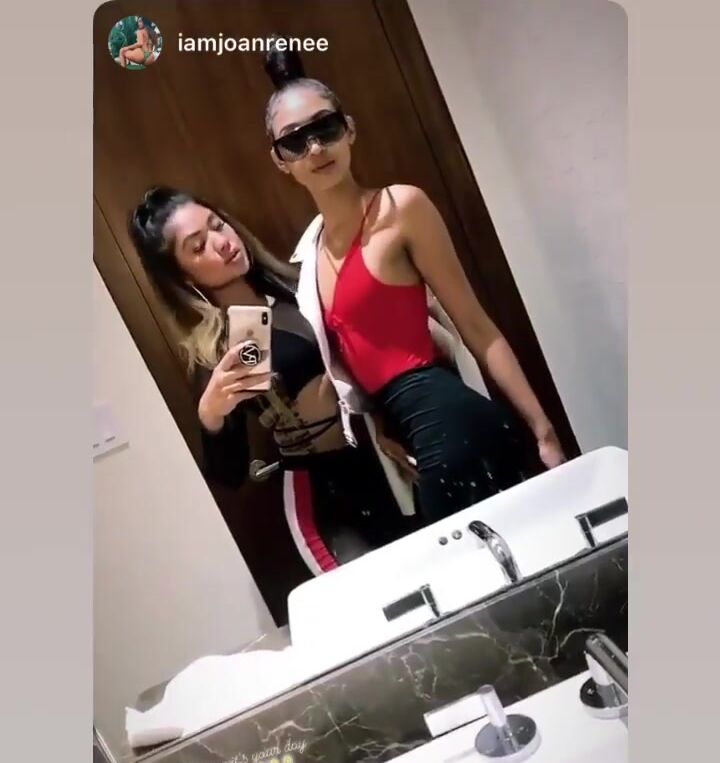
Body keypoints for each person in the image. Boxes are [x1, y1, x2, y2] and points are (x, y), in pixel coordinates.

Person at [263, 46, 568, 526]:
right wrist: (380, 421)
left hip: (450, 422)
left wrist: (543, 431)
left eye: (326, 128)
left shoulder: (400, 208)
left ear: (349, 129)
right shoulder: (309, 254)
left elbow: (476, 325)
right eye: (295, 141)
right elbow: (355, 364)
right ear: (281, 160)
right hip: (414, 436)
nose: (315, 148)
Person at [129, 186, 416, 574]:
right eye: (197, 247)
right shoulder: (222, 350)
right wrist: (211, 416)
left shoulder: (300, 287)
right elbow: (229, 474)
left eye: (217, 225)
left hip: (386, 459)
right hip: (326, 498)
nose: (221, 243)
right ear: (182, 276)